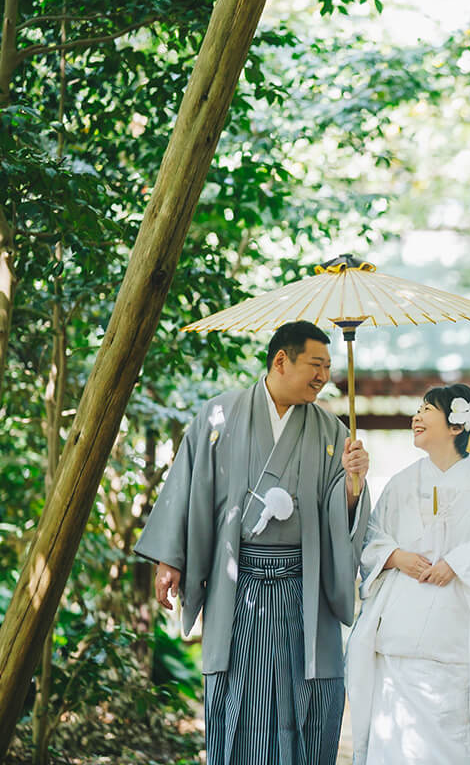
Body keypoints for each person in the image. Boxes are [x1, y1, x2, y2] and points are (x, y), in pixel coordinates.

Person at [134, 320, 372, 765]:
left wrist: (353, 485)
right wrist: (171, 559)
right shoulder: (218, 416)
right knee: (242, 696)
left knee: (310, 692)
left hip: (303, 589)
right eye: (316, 365)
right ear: (281, 360)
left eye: (328, 367)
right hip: (239, 588)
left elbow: (342, 514)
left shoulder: (332, 432)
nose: (324, 377)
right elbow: (188, 489)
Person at [346, 383, 470, 764]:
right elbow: (370, 538)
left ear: (455, 427)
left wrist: (458, 562)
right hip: (398, 643)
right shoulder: (402, 482)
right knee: (397, 743)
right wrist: (396, 556)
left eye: (427, 409)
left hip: (453, 641)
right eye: (417, 408)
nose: (416, 416)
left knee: (449, 743)